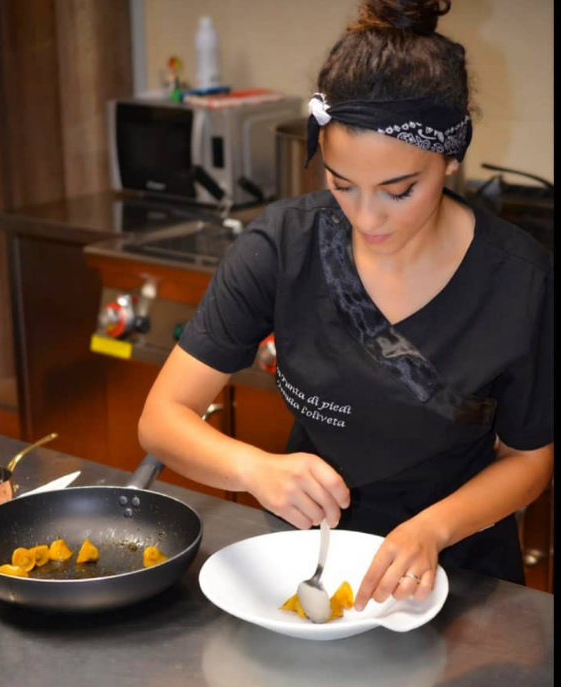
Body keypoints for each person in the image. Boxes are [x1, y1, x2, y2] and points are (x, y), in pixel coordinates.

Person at [139, 0, 553, 612]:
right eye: (340, 184)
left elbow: (528, 462)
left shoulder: (518, 280)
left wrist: (431, 530)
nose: (366, 218)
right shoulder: (284, 245)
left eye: (399, 190)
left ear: (451, 157)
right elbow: (162, 418)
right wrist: (254, 469)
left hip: (461, 577)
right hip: (307, 562)